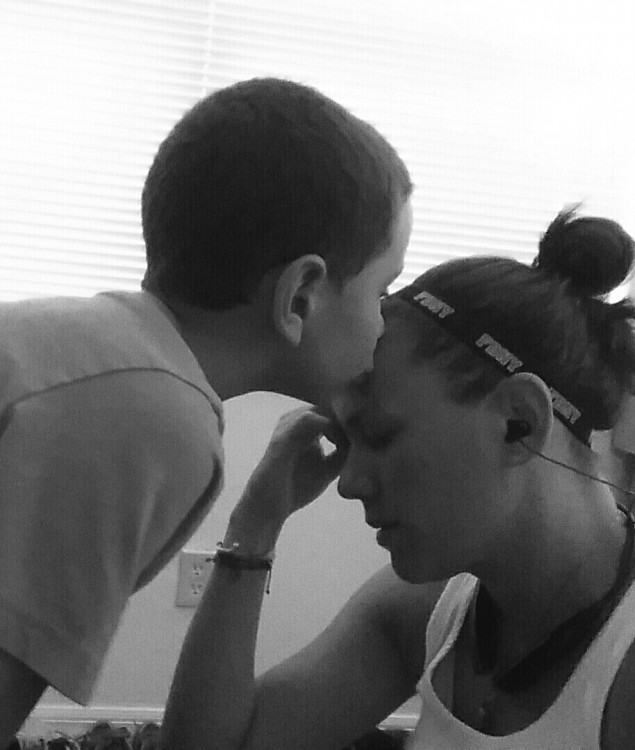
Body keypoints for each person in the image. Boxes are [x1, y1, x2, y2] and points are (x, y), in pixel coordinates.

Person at [0, 77, 413, 744]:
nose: (386, 322)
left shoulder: (100, 352)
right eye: (382, 288)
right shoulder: (152, 416)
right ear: (301, 294)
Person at [161, 207, 635, 750]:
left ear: (518, 423)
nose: (350, 483)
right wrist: (255, 524)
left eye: (381, 436)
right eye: (348, 442)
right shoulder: (431, 611)